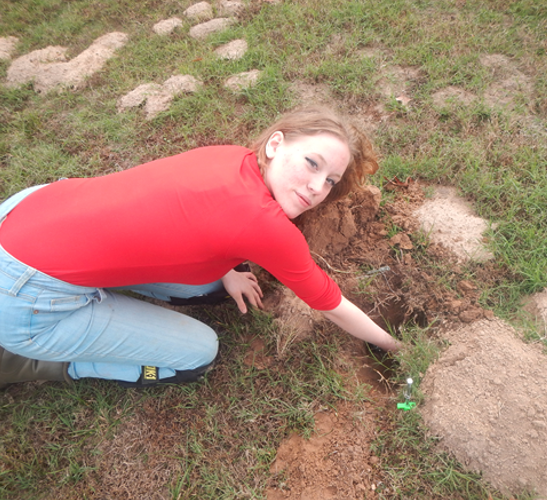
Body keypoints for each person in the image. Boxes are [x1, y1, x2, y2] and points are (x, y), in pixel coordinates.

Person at [0, 106, 400, 389]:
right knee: (196, 355)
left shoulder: (231, 158)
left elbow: (186, 216)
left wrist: (224, 270)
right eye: (312, 164)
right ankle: (34, 362)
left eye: (331, 180)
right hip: (29, 297)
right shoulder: (266, 226)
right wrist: (392, 344)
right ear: (276, 144)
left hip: (27, 210)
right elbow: (327, 300)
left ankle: (96, 292)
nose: (318, 188)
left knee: (209, 284)